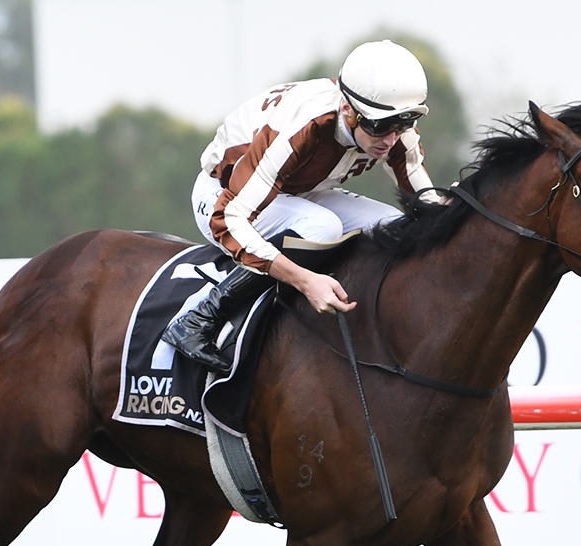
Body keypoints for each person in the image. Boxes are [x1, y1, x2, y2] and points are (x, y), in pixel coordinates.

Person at [163, 39, 439, 372]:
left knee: (394, 224)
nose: (391, 139)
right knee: (322, 227)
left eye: (404, 123)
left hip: (298, 192)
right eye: (380, 126)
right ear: (347, 110)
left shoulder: (385, 119)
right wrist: (306, 281)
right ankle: (201, 317)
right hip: (223, 195)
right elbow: (228, 219)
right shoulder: (304, 126)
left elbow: (425, 202)